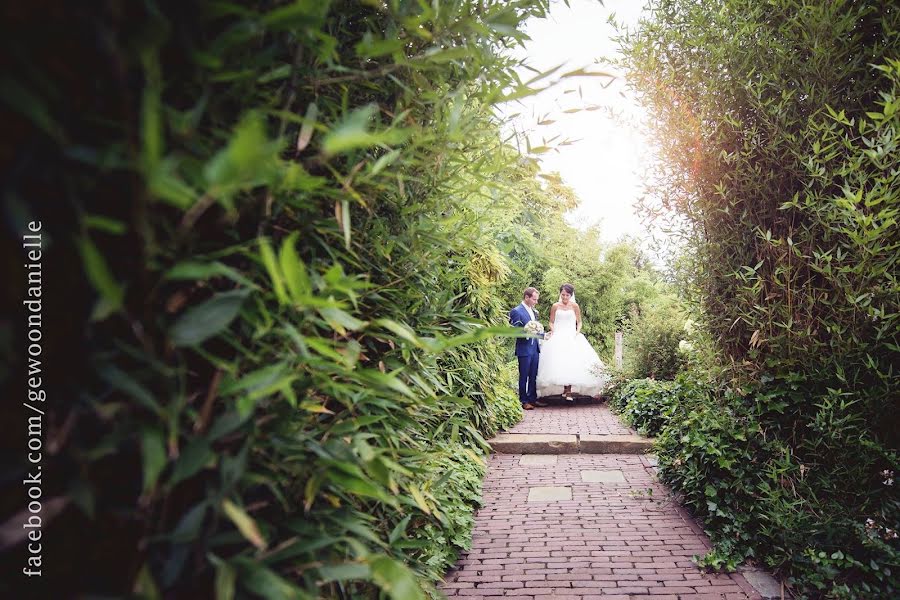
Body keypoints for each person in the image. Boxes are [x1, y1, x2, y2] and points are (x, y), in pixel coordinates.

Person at [536, 283, 609, 401]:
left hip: (572, 335)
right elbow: (551, 321)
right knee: (560, 362)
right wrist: (553, 331)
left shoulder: (575, 306)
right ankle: (565, 390)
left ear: (571, 295)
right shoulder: (555, 306)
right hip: (558, 336)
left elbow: (579, 322)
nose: (565, 297)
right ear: (560, 294)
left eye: (567, 295)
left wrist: (577, 332)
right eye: (563, 295)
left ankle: (568, 391)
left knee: (571, 361)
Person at [509, 287, 547, 410]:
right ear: (527, 297)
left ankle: (532, 399)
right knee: (523, 376)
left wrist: (542, 335)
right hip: (524, 348)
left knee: (533, 375)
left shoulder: (534, 311)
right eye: (534, 299)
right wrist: (527, 331)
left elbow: (535, 328)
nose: (536, 302)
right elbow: (514, 331)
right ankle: (524, 400)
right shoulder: (516, 311)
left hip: (534, 348)